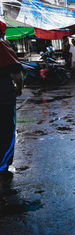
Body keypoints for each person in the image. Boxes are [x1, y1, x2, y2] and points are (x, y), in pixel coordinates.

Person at [0, 21, 23, 188]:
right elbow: (17, 73)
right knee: (7, 131)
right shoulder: (3, 46)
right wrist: (19, 87)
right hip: (4, 96)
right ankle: (2, 169)